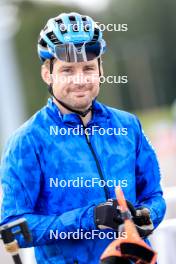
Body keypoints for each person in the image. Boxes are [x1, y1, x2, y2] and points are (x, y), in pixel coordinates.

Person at [0, 12, 166, 264]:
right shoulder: (27, 141)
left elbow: (154, 196)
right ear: (48, 73)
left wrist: (146, 214)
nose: (80, 80)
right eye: (67, 70)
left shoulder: (128, 125)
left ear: (100, 68)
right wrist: (89, 219)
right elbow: (13, 227)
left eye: (88, 68)